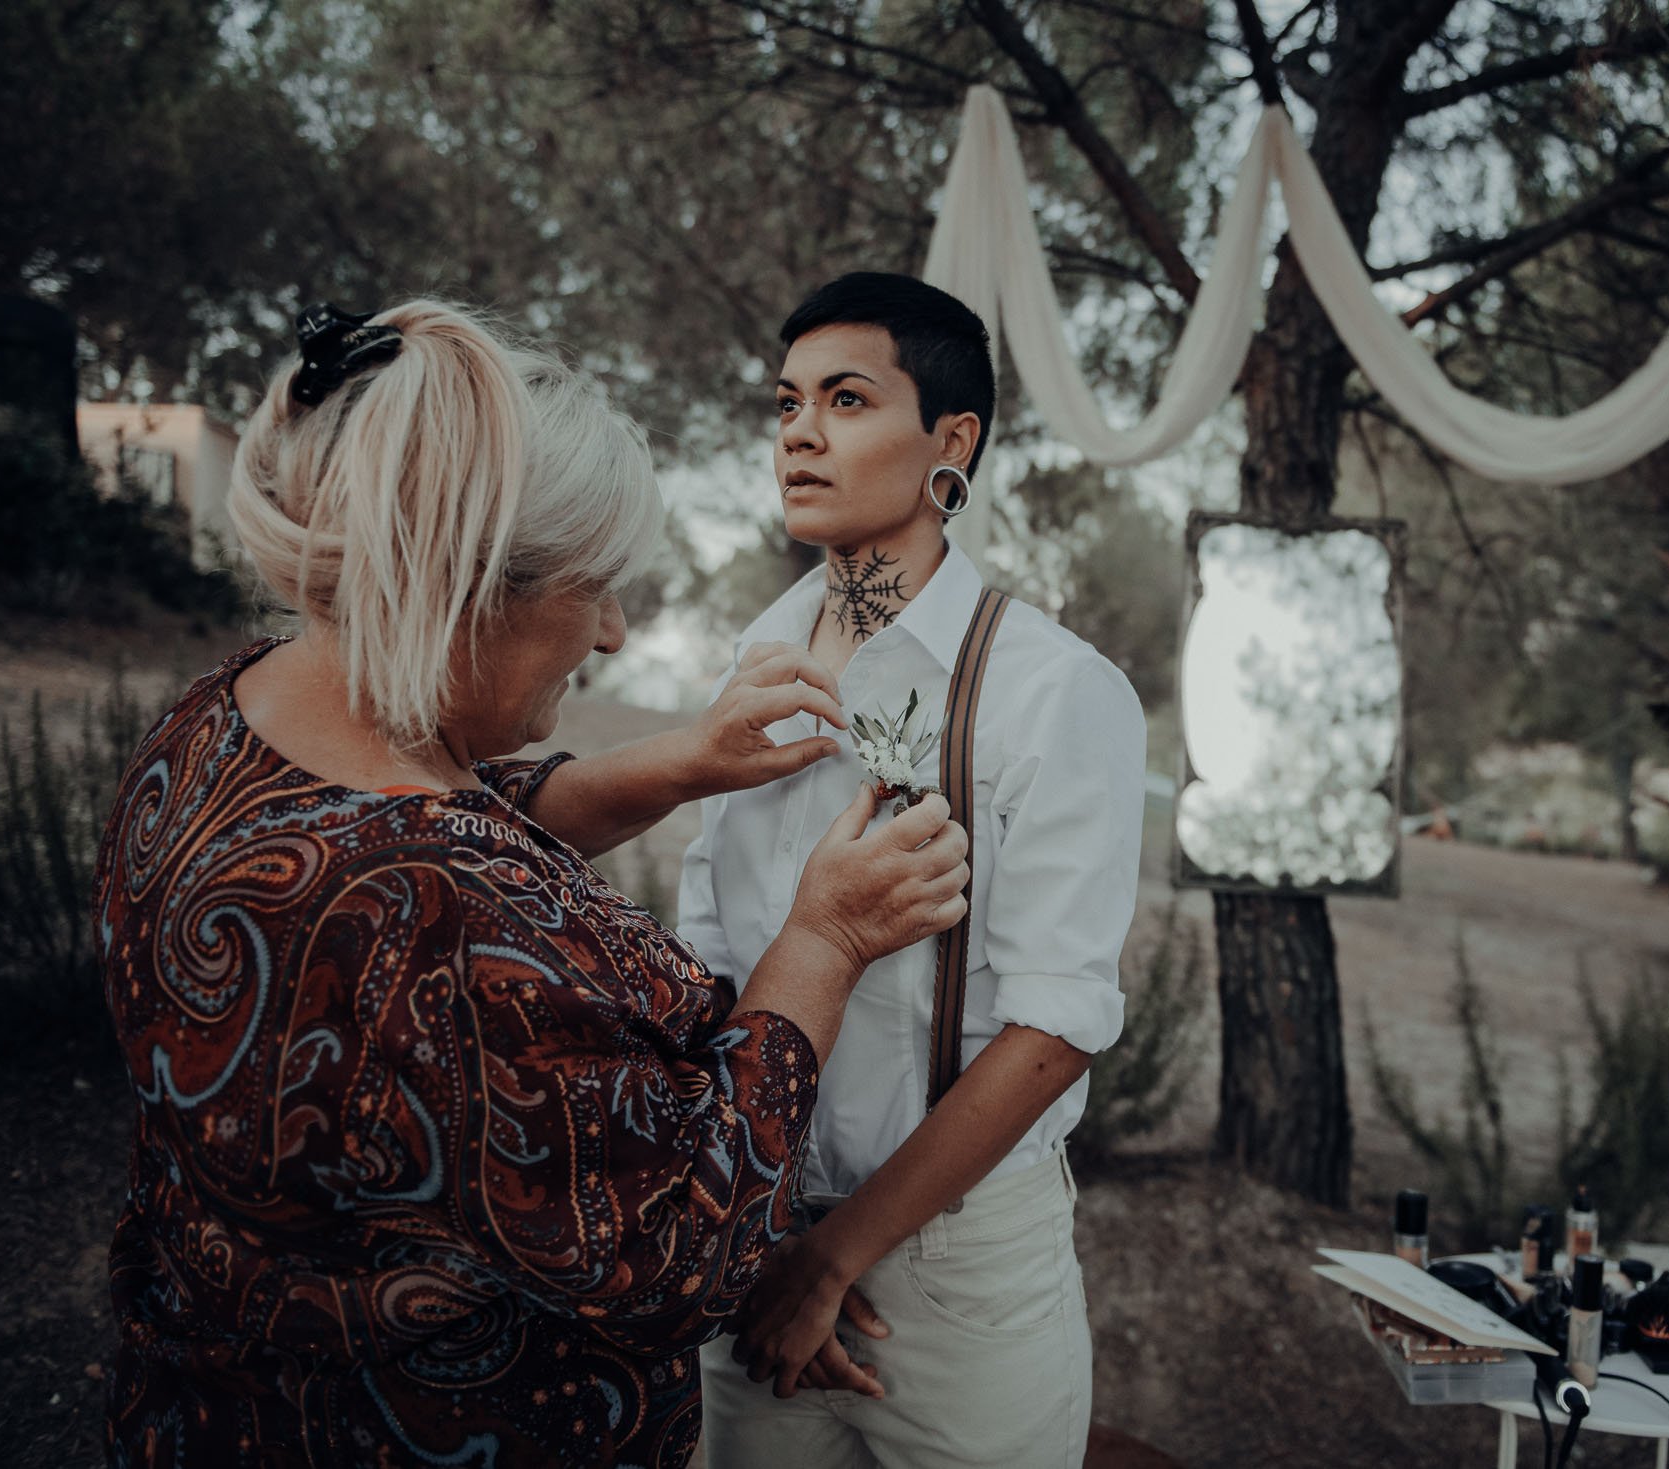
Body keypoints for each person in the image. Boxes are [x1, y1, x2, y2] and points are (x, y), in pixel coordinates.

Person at [96, 300, 969, 1468]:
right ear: (463, 589)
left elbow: (429, 809)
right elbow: (674, 1249)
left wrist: (670, 763)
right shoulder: (437, 920)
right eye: (595, 587)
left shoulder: (227, 714)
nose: (611, 633)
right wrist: (825, 939)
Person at [684, 273, 1146, 1469]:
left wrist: (834, 1262)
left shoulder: (1058, 690)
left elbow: (1056, 1026)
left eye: (844, 398)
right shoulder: (756, 658)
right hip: (755, 1230)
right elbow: (711, 951)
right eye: (785, 402)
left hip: (956, 1273)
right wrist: (750, 1230)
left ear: (952, 443)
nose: (798, 430)